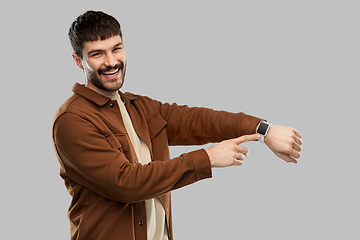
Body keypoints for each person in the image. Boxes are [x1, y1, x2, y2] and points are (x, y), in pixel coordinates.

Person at [52, 10, 303, 240]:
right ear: (78, 60)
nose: (111, 61)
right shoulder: (72, 120)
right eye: (97, 54)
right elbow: (127, 183)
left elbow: (199, 121)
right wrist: (207, 158)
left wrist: (264, 130)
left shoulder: (138, 106)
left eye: (116, 49)